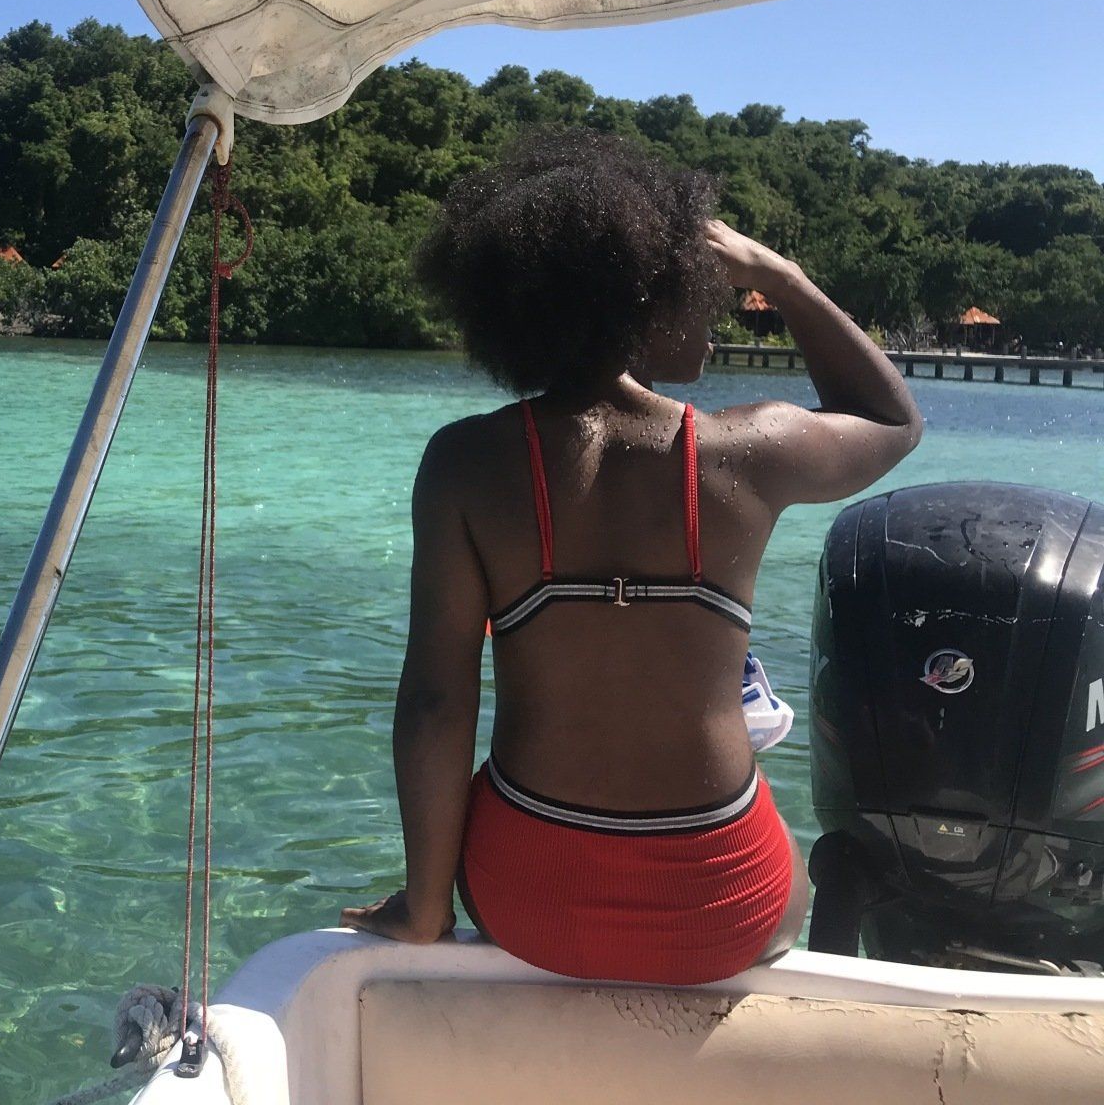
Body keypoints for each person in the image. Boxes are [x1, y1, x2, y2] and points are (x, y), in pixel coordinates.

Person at [339, 128, 923, 986]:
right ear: (645, 306)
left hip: (528, 899)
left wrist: (428, 909)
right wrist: (783, 278)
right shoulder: (743, 452)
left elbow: (434, 701)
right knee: (805, 870)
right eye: (704, 293)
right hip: (720, 910)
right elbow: (893, 421)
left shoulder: (465, 464)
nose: (719, 315)